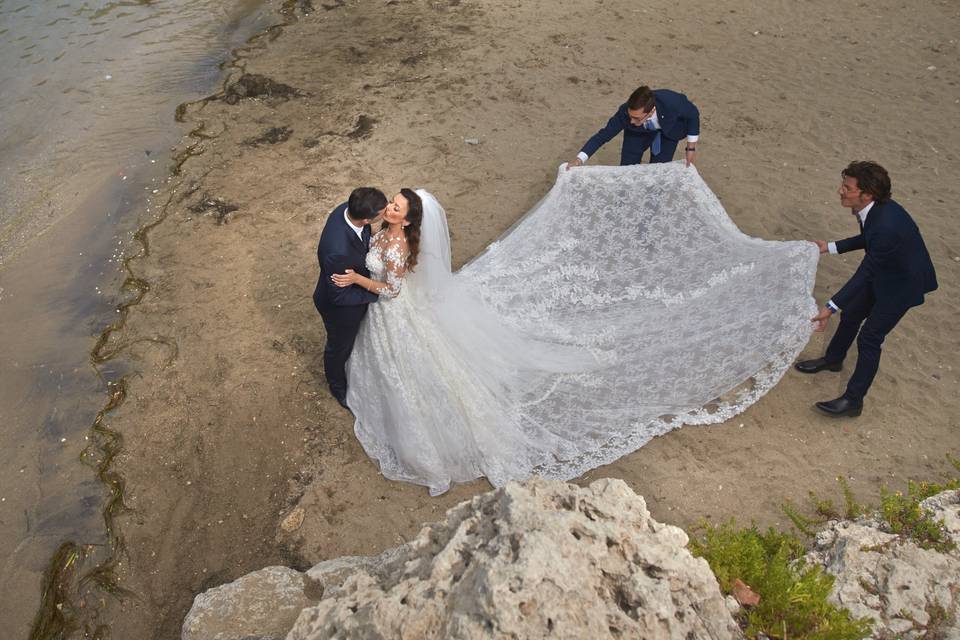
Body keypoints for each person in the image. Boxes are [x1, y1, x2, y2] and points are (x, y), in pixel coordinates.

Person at [329, 164, 819, 496]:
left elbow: (392, 291)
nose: (390, 209)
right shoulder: (392, 236)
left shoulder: (394, 246)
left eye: (396, 207)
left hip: (395, 310)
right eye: (390, 204)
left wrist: (357, 278)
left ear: (409, 218)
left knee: (417, 373)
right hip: (404, 308)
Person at [795, 161, 937, 417]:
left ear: (867, 194)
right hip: (885, 270)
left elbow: (867, 270)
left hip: (902, 285)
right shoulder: (874, 212)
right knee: (851, 315)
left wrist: (830, 307)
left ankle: (853, 401)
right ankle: (834, 359)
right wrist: (830, 246)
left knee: (870, 338)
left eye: (847, 187)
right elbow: (868, 239)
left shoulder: (885, 224)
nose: (840, 190)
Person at [312, 187, 387, 409]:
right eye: (381, 213)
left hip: (353, 279)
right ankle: (337, 387)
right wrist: (374, 292)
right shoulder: (338, 250)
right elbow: (338, 296)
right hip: (340, 311)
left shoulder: (347, 209)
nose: (385, 214)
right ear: (366, 219)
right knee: (338, 348)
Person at [567, 85, 700, 169]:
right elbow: (603, 136)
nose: (630, 121)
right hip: (637, 133)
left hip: (669, 132)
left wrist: (691, 148)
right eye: (630, 116)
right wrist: (579, 159)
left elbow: (693, 114)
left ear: (651, 111)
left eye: (636, 118)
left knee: (659, 169)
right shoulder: (624, 113)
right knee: (627, 167)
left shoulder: (672, 102)